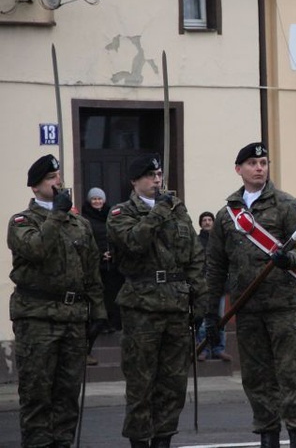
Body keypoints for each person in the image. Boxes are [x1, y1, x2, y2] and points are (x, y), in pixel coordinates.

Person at [204, 142, 296, 448]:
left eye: (263, 162)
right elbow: (215, 268)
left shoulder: (288, 205)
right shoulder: (227, 216)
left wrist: (287, 260)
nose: (259, 168)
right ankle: (268, 437)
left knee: (290, 377)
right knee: (256, 379)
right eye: (252, 163)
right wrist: (211, 314)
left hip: (283, 308)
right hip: (247, 309)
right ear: (239, 170)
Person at [106, 153, 207, 448]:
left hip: (176, 306)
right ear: (135, 181)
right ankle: (140, 440)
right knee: (141, 383)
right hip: (142, 307)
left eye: (159, 174)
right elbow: (135, 242)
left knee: (173, 383)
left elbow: (193, 255)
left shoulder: (177, 211)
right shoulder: (121, 213)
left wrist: (199, 300)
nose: (157, 180)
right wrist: (158, 212)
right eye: (150, 176)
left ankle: (164, 440)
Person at [7, 154, 107, 447]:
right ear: (35, 188)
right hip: (37, 318)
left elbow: (91, 271)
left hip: (73, 318)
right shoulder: (22, 222)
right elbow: (36, 249)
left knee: (67, 395)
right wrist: (56, 216)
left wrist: (98, 311)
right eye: (51, 179)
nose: (58, 183)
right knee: (37, 394)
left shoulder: (79, 224)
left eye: (58, 177)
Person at [82, 187, 125, 338]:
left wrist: (113, 253)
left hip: (113, 265)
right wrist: (100, 255)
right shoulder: (85, 218)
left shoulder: (111, 215)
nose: (97, 201)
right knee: (99, 295)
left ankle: (114, 322)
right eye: (94, 199)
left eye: (99, 198)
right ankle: (101, 324)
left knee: (113, 294)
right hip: (96, 265)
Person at [196, 211, 231, 362]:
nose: (207, 222)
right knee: (204, 320)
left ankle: (219, 349)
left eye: (210, 219)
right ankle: (202, 349)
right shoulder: (196, 241)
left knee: (221, 319)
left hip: (220, 286)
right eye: (204, 220)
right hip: (203, 287)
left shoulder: (221, 240)